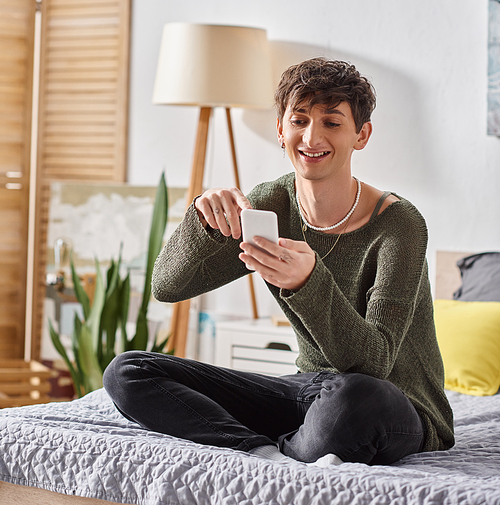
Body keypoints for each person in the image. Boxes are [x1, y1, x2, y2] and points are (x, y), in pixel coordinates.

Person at [104, 58, 454, 466]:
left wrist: (308, 282)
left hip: (395, 404)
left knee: (356, 396)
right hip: (310, 391)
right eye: (299, 120)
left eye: (332, 123)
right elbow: (167, 287)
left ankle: (295, 445)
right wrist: (202, 219)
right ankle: (265, 453)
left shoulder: (399, 225)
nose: (311, 137)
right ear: (280, 130)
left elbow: (373, 364)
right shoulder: (270, 204)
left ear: (361, 135)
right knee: (128, 371)